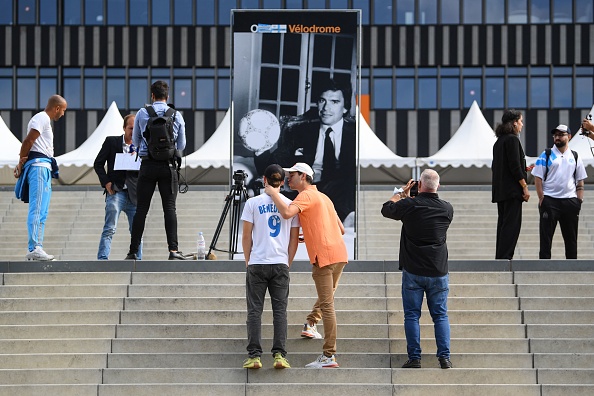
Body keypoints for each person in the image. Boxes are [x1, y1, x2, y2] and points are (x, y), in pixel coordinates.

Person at [264, 162, 347, 369]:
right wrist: (309, 234)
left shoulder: (305, 196)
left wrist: (272, 193)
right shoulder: (324, 197)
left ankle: (329, 355)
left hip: (324, 257)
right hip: (339, 254)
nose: (288, 178)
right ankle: (310, 323)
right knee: (327, 299)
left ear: (303, 176)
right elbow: (341, 229)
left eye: (291, 175)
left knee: (328, 305)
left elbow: (286, 213)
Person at [381, 169, 454, 369]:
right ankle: (444, 358)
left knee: (412, 315)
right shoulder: (447, 209)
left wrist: (400, 194)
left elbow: (387, 209)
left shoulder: (409, 205)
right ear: (438, 186)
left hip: (413, 270)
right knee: (440, 315)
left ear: (419, 186)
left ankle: (415, 358)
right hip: (438, 270)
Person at [255, 78, 356, 222]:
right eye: (322, 101)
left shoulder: (355, 135)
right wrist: (259, 148)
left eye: (334, 102)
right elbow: (274, 165)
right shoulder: (300, 131)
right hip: (307, 190)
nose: (326, 108)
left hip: (341, 193)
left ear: (345, 107)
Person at [241, 164, 300, 370]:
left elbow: (246, 236)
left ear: (264, 179)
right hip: (280, 263)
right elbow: (294, 240)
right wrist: (288, 262)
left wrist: (249, 261)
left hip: (258, 262)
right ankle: (279, 355)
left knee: (254, 311)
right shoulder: (290, 204)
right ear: (282, 182)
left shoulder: (252, 203)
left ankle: (255, 355)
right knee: (280, 311)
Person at [125, 80, 187, 260]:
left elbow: (135, 142)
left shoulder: (142, 114)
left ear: (152, 96)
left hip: (147, 166)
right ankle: (173, 251)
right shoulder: (176, 115)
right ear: (167, 97)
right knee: (169, 209)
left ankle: (133, 251)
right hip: (168, 167)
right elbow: (181, 145)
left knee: (141, 209)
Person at [14, 95, 67, 261]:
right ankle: (35, 247)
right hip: (38, 167)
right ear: (57, 108)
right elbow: (28, 141)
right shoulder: (42, 117)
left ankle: (36, 248)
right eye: (63, 110)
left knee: (41, 211)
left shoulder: (43, 120)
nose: (63, 114)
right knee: (37, 209)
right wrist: (21, 162)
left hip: (42, 166)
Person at [531, 125, 587, 259]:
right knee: (545, 239)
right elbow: (537, 177)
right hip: (550, 201)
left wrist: (579, 200)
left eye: (561, 134)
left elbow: (580, 180)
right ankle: (544, 268)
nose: (557, 137)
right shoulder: (546, 154)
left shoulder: (575, 156)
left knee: (571, 240)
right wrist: (541, 197)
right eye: (555, 135)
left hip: (570, 201)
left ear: (569, 136)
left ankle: (572, 268)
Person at [94, 114, 142, 260]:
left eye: (136, 129)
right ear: (124, 128)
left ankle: (138, 259)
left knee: (136, 231)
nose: (133, 132)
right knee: (110, 227)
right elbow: (98, 164)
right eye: (130, 128)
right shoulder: (111, 142)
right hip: (116, 191)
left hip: (134, 194)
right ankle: (102, 259)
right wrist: (106, 182)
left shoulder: (142, 146)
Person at [491, 109, 530, 260]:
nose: (522, 125)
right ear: (514, 123)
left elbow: (503, 166)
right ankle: (506, 258)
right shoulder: (513, 140)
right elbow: (514, 166)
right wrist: (524, 186)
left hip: (501, 192)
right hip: (512, 191)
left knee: (503, 225)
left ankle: (500, 257)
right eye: (520, 121)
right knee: (512, 226)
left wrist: (523, 168)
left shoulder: (499, 141)